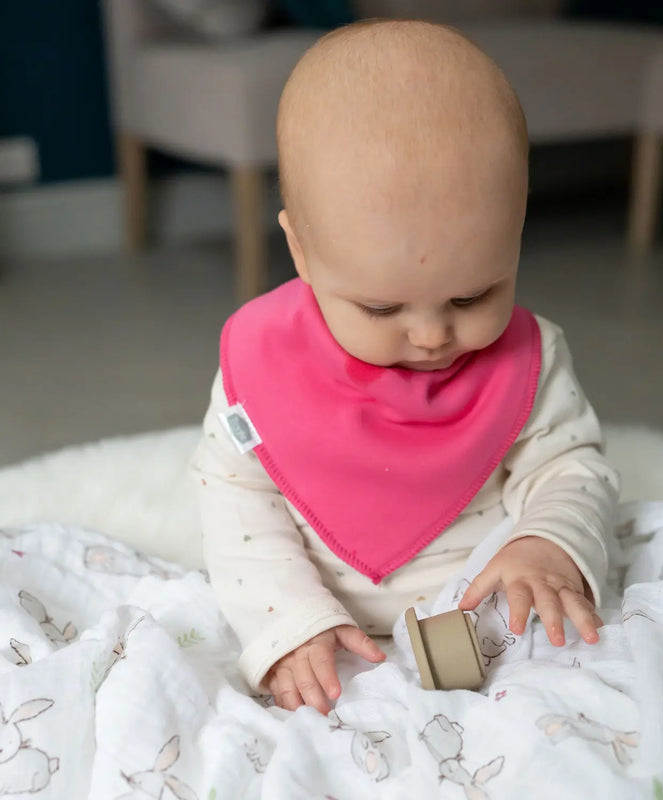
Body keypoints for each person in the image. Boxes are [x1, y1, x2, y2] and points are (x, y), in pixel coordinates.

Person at [191, 18, 619, 716]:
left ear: (516, 229)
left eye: (471, 294)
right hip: (328, 643)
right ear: (300, 250)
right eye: (381, 307)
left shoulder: (529, 360)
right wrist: (289, 621)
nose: (429, 335)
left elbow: (571, 467)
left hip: (492, 613)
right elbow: (234, 494)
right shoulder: (260, 367)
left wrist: (550, 542)